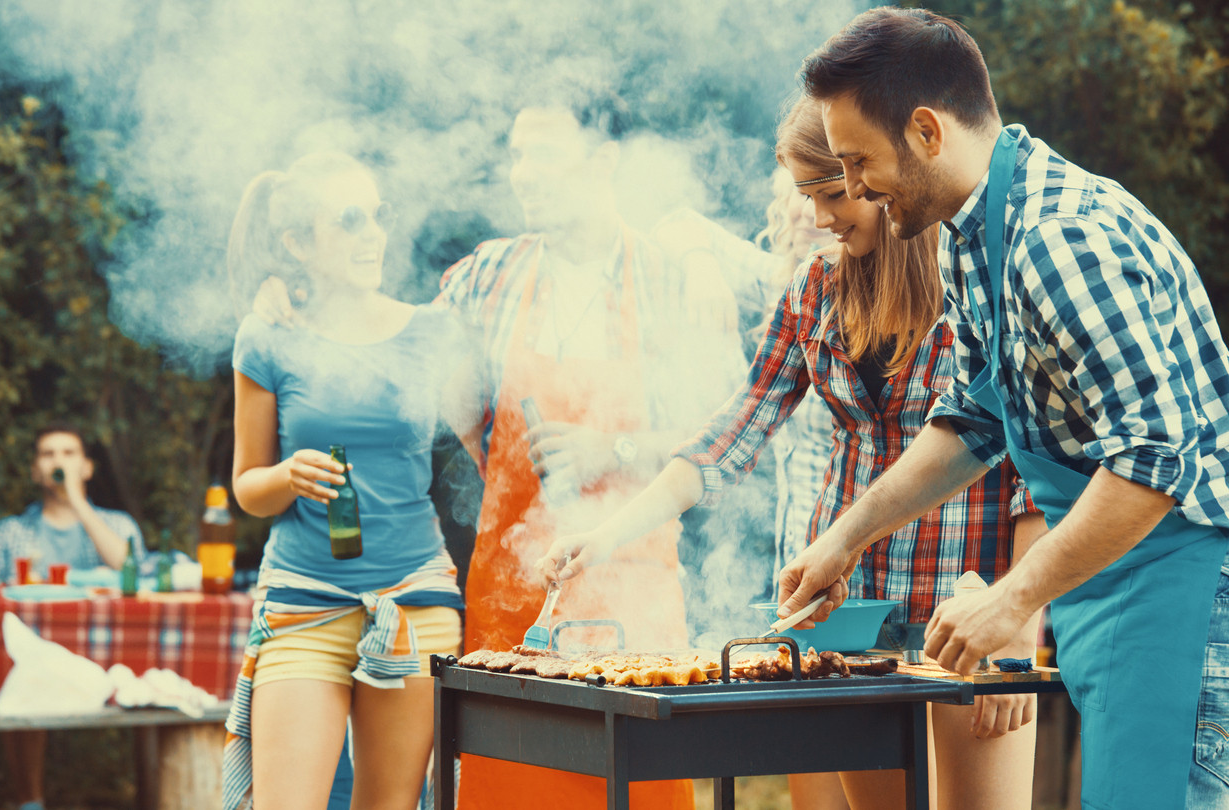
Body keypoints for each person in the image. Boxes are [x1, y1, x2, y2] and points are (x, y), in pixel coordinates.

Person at [775, 7, 1229, 808]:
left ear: (923, 130)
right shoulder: (973, 235)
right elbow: (974, 421)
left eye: (855, 161)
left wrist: (1015, 597)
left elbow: (1155, 461)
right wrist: (845, 540)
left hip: (1185, 583)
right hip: (1115, 582)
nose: (850, 191)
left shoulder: (1057, 240)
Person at [538, 94, 1045, 810]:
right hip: (850, 624)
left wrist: (1014, 634)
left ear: (878, 176)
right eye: (807, 195)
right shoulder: (813, 289)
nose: (817, 217)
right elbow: (735, 430)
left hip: (965, 616)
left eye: (831, 193)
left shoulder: (979, 286)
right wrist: (609, 533)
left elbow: (1032, 467)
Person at [434, 96, 743, 810]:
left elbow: (726, 441)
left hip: (633, 591)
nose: (522, 173)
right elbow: (445, 392)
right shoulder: (486, 276)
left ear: (601, 162)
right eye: (515, 155)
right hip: (512, 596)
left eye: (542, 154)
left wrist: (614, 446)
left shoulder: (670, 277)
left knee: (636, 789)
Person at [221, 151, 470, 810]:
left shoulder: (433, 332)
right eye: (350, 220)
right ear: (298, 243)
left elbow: (490, 447)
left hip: (414, 597)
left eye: (377, 216)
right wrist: (285, 474)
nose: (373, 236)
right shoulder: (268, 335)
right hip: (304, 599)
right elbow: (246, 487)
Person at [0, 422, 145, 810]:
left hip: (110, 655)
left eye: (69, 454)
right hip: (38, 657)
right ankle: (30, 802)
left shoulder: (118, 526)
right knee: (24, 673)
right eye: (48, 454)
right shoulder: (12, 533)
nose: (59, 461)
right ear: (36, 470)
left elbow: (128, 567)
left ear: (87, 468)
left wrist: (78, 501)